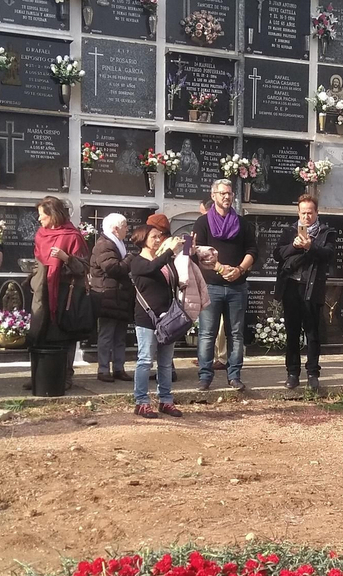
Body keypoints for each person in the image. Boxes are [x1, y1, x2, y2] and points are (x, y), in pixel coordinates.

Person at [192, 178, 254, 394]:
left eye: (229, 193)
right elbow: (196, 252)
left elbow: (252, 251)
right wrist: (219, 268)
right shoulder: (202, 222)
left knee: (236, 333)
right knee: (207, 334)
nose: (227, 197)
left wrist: (239, 269)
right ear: (213, 196)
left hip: (237, 287)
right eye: (222, 193)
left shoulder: (243, 224)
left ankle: (234, 376)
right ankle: (205, 377)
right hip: (211, 286)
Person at [272, 194, 333, 393]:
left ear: (317, 213)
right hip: (291, 287)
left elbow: (329, 254)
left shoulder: (326, 232)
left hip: (313, 287)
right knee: (292, 333)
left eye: (310, 213)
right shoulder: (290, 231)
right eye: (303, 213)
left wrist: (311, 246)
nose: (306, 217)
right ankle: (292, 373)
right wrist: (294, 246)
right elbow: (277, 255)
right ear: (298, 213)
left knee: (313, 333)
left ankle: (313, 373)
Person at [129, 213, 185, 419]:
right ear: (143, 239)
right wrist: (170, 251)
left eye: (159, 236)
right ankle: (141, 402)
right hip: (147, 318)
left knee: (165, 361)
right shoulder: (137, 262)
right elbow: (152, 268)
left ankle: (166, 401)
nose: (158, 239)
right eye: (154, 236)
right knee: (145, 360)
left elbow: (176, 277)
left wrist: (187, 250)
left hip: (167, 317)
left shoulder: (164, 260)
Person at [32, 196, 88, 388]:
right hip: (43, 290)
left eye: (42, 215)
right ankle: (40, 375)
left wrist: (66, 258)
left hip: (64, 291)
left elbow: (83, 267)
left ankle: (65, 376)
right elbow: (38, 260)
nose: (39, 219)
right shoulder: (41, 234)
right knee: (41, 330)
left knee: (64, 333)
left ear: (53, 215)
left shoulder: (72, 236)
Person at [88, 212, 133, 382]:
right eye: (125, 226)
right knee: (107, 335)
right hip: (107, 296)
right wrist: (130, 259)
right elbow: (113, 269)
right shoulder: (104, 245)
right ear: (115, 229)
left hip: (118, 297)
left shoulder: (117, 243)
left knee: (120, 335)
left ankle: (119, 368)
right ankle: (103, 369)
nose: (127, 229)